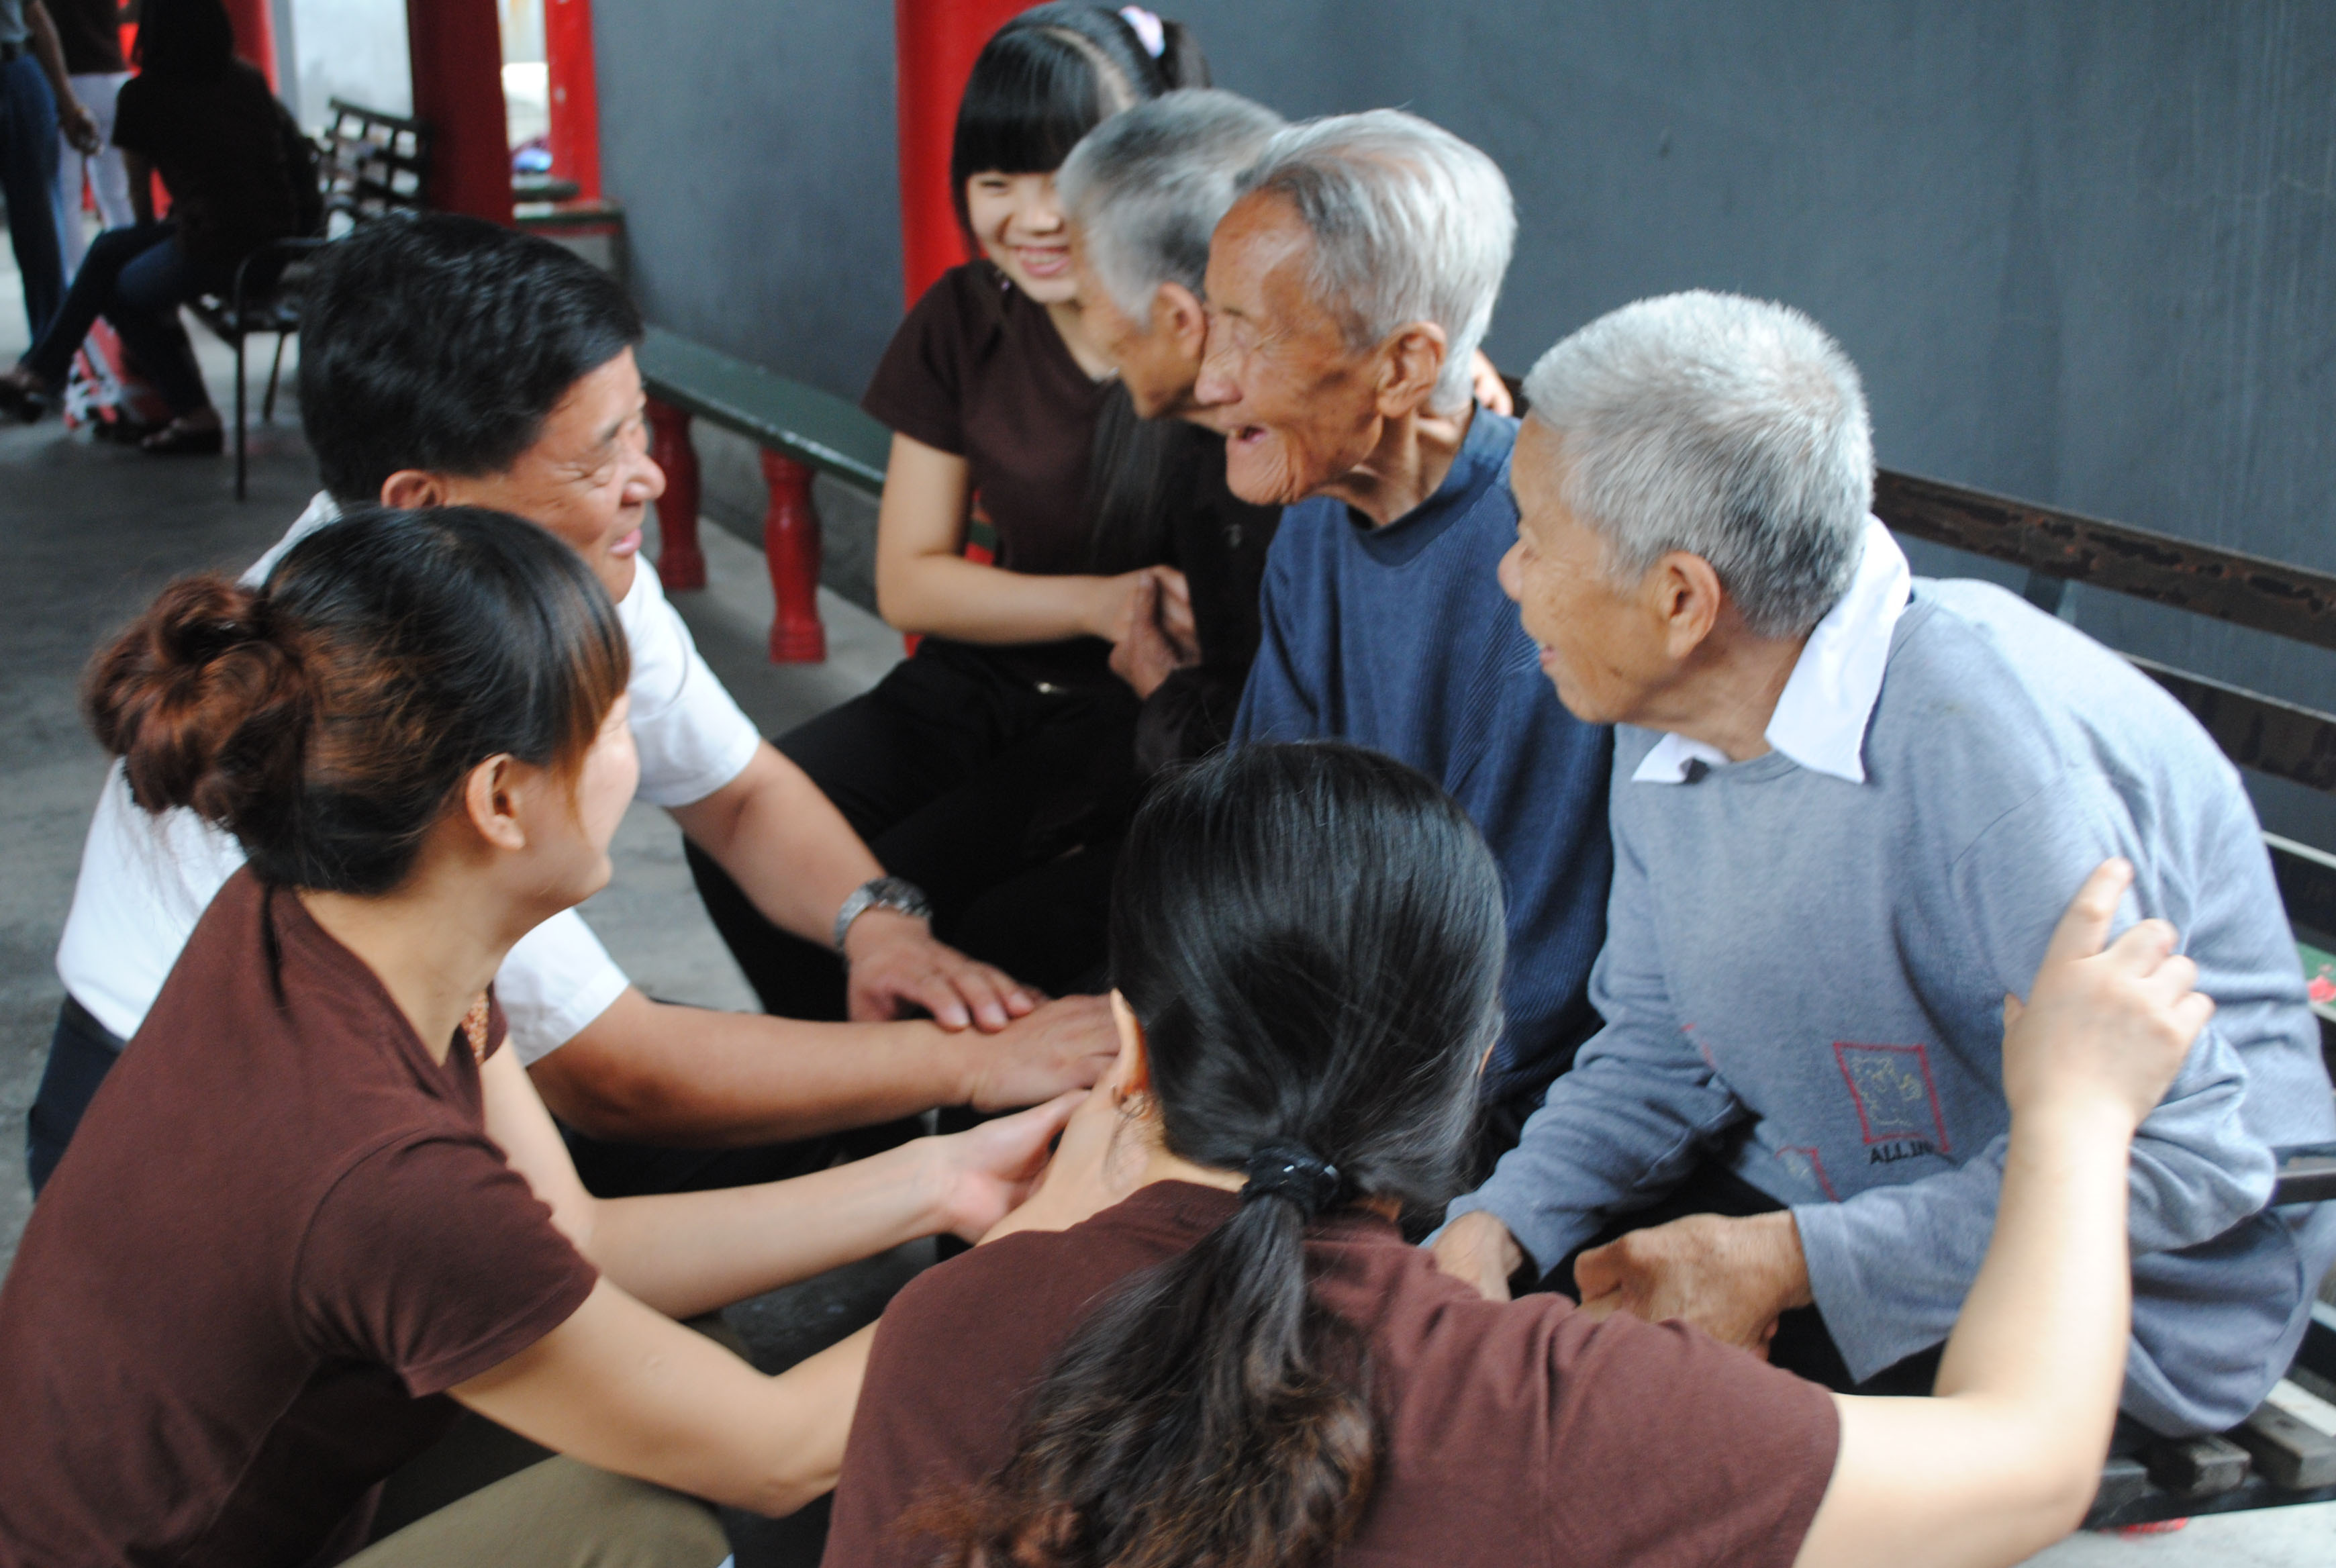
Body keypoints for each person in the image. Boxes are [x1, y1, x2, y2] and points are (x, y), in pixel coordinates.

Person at [824, 742, 2219, 1568]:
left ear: (1126, 1051)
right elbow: (2030, 1463)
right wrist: (2079, 1118)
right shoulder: (1562, 1403)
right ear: (1473, 1063)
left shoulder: (943, 1331)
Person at [0, 507, 1081, 1567]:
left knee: (667, 1366)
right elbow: (777, 1455)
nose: (632, 756)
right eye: (610, 722)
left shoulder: (330, 925)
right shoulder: (377, 1167)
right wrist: (1065, 1235)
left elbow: (578, 1244)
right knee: (641, 1527)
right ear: (501, 802)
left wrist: (948, 1179)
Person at [29, 213, 1111, 1201]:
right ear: (427, 503)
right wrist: (978, 1065)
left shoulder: (556, 564)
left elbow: (737, 793)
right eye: (604, 457)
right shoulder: (381, 703)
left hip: (411, 1083)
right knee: (670, 1205)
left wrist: (879, 927)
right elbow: (616, 1073)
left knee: (785, 1135)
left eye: (641, 428)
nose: (646, 479)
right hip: (191, 1157)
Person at [1430, 291, 2336, 1437]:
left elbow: (2193, 1155)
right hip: (1845, 1194)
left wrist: (1796, 1258)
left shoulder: (1986, 750)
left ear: (1680, 598)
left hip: (2117, 1296)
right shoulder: (1671, 710)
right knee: (1482, 1369)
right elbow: (1666, 1040)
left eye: (1528, 538)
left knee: (1610, 1445)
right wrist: (1499, 1222)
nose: (1508, 577)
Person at [689, 4, 1211, 1007]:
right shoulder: (963, 321)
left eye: (1064, 175)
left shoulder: (1201, 328)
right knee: (742, 847)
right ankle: (847, 1116)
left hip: (1129, 720)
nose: (1032, 216)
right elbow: (910, 582)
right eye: (995, 181)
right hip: (980, 688)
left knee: (910, 894)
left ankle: (893, 1108)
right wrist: (1102, 601)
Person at [1199, 111, 1614, 1157]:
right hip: (1327, 1055)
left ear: (1402, 366)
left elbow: (1524, 989)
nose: (1209, 381)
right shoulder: (1317, 520)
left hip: (1464, 1117)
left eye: (1251, 334)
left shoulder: (1548, 557)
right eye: (1213, 322)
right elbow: (1268, 830)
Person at [1054, 88, 1287, 775]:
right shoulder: (1198, 433)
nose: (1085, 318)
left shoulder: (1317, 475)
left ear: (1180, 319)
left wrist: (1162, 690)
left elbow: (1289, 772)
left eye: (1085, 290)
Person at [0, 0, 307, 452]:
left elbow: (140, 212)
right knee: (107, 249)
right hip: (275, 240)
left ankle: (193, 415)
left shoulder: (145, 96)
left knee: (122, 292)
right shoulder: (247, 77)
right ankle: (44, 369)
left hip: (216, 246)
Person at [0, 0, 99, 340]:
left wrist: (69, 105)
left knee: (40, 226)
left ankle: (52, 355)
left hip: (16, 68)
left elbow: (35, 15)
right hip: (17, 73)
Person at [49, 0, 131, 279]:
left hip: (69, 81)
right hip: (113, 74)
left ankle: (77, 279)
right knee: (118, 191)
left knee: (66, 193)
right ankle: (127, 267)